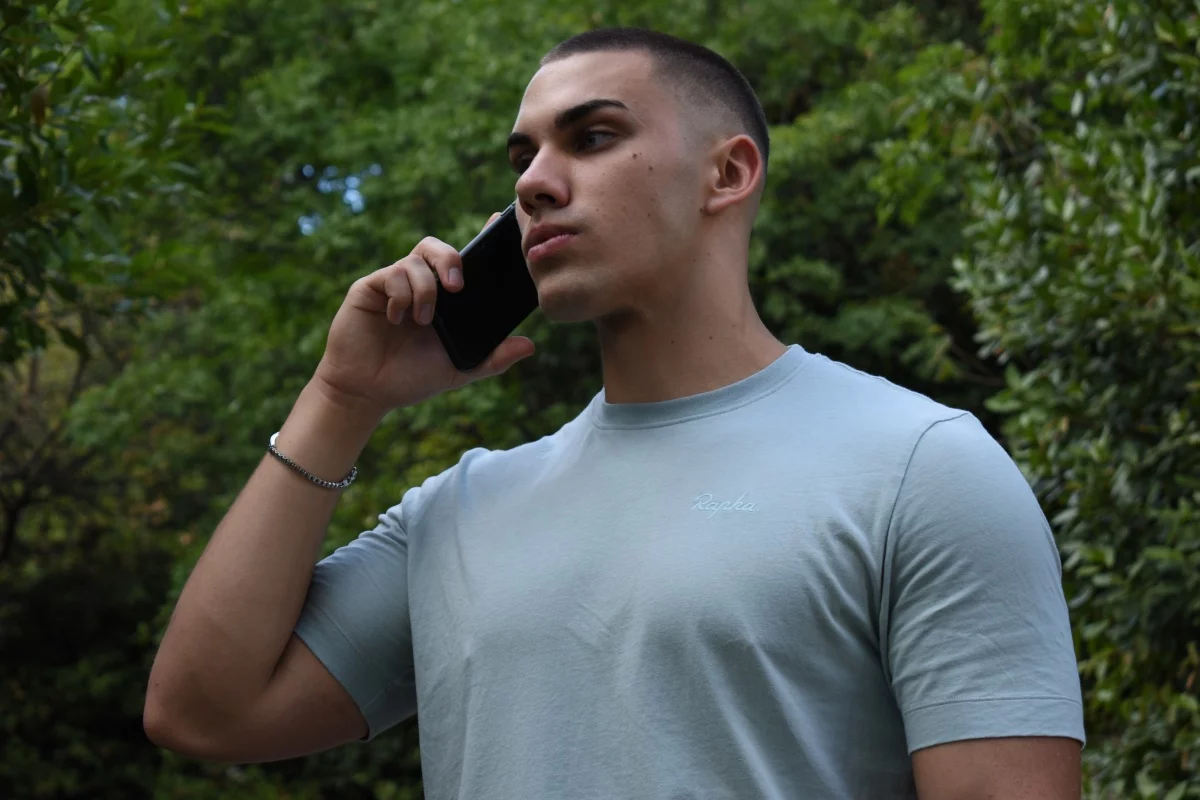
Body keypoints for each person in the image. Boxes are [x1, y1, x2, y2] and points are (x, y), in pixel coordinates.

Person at [144, 27, 1086, 799]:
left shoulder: (921, 467)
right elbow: (203, 713)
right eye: (523, 157)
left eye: (590, 138)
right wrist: (341, 399)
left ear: (728, 174)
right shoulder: (460, 512)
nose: (532, 184)